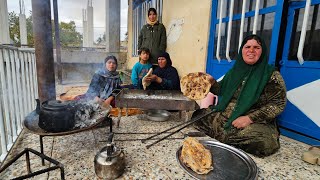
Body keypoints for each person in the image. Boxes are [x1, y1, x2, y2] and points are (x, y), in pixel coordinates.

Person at [193, 35, 287, 157]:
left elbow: (277, 104)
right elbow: (221, 90)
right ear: (242, 50)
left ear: (262, 51)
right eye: (247, 47)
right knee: (197, 116)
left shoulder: (271, 75)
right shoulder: (235, 70)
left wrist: (249, 118)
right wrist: (211, 82)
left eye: (256, 47)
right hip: (225, 115)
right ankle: (225, 135)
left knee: (265, 143)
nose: (251, 51)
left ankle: (224, 136)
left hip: (250, 122)